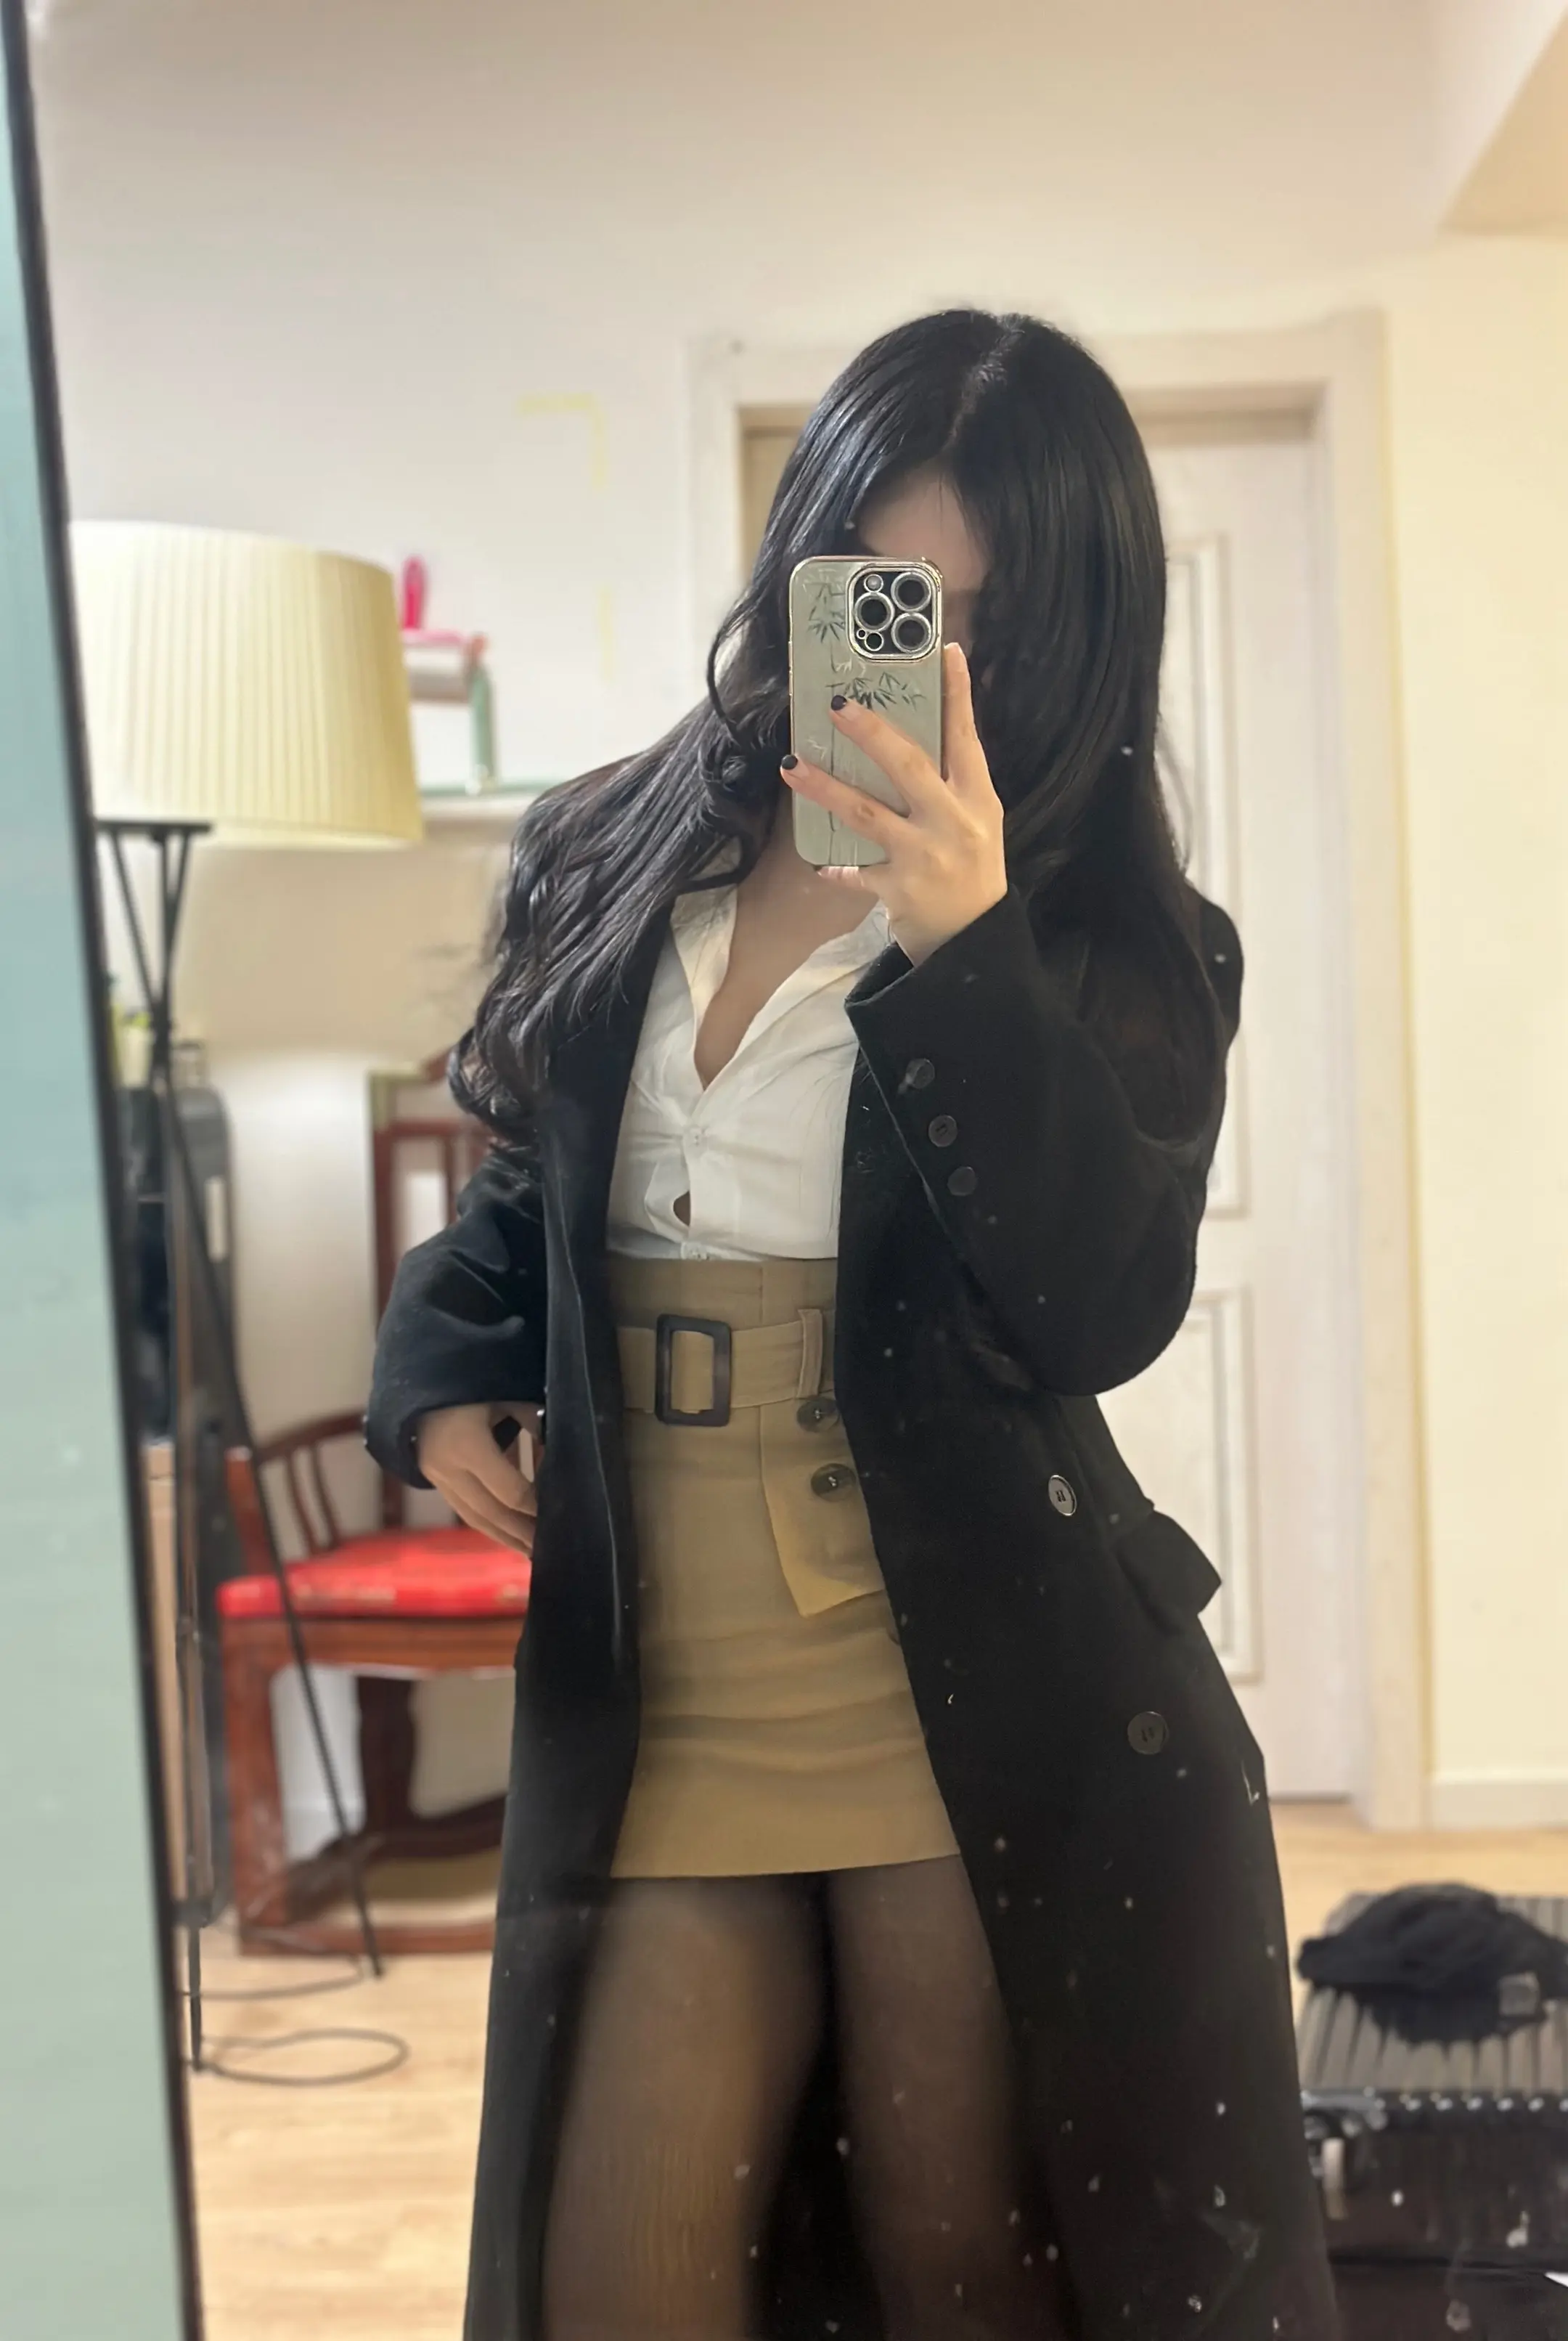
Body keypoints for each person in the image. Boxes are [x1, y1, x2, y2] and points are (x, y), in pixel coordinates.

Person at [366, 309, 1338, 2341]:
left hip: (960, 1672)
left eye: (984, 623)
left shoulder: (1121, 941)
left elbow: (1100, 1304)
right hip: (670, 1673)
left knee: (958, 2263)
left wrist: (963, 947)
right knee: (616, 2273)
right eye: (881, 599)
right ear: (803, 576)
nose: (925, 665)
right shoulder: (611, 848)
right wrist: (443, 1372)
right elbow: (536, 1183)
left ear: (1077, 635)